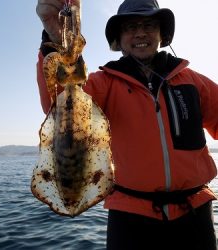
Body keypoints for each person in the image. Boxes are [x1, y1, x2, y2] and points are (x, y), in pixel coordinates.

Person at [36, 0, 218, 249]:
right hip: (130, 216)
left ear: (161, 34)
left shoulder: (195, 82)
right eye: (131, 27)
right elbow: (59, 105)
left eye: (148, 25)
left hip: (195, 213)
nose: (140, 33)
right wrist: (54, 35)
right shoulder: (102, 84)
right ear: (118, 40)